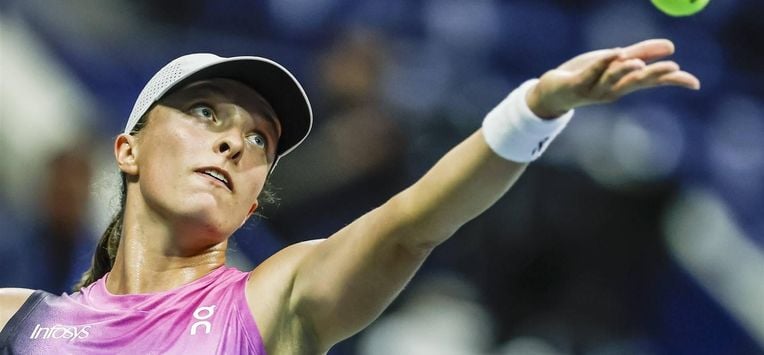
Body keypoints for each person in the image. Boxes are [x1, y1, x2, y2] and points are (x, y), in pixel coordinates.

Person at [0, 39, 699, 354]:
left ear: (251, 204)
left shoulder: (276, 301)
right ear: (128, 149)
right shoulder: (14, 318)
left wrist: (535, 109)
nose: (235, 142)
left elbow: (410, 225)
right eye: (207, 112)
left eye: (259, 141)